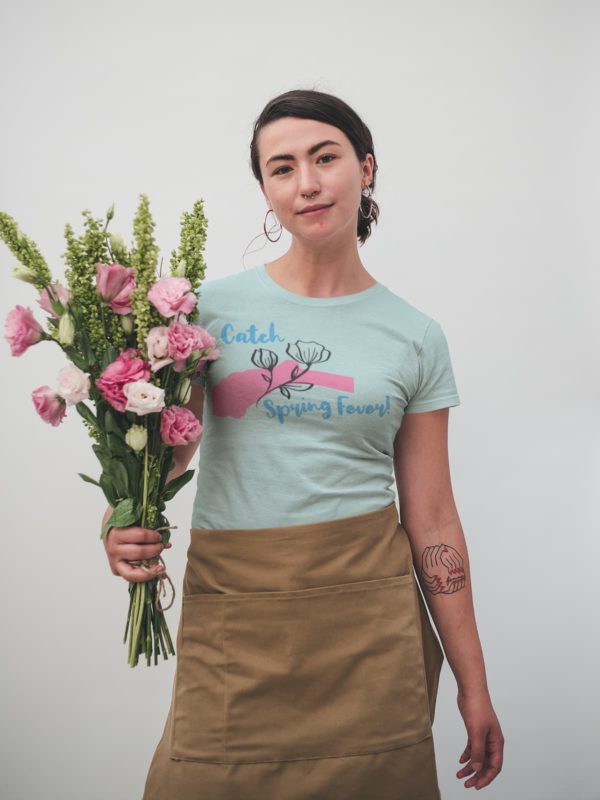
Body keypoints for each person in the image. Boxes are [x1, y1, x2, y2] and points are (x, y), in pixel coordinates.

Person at [103, 88, 504, 799]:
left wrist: (474, 685)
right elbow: (162, 458)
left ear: (367, 168)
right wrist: (120, 521)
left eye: (326, 157)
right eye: (282, 168)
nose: (307, 182)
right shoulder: (206, 310)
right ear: (266, 190)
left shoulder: (415, 335)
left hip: (369, 628)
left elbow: (435, 519)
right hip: (239, 610)